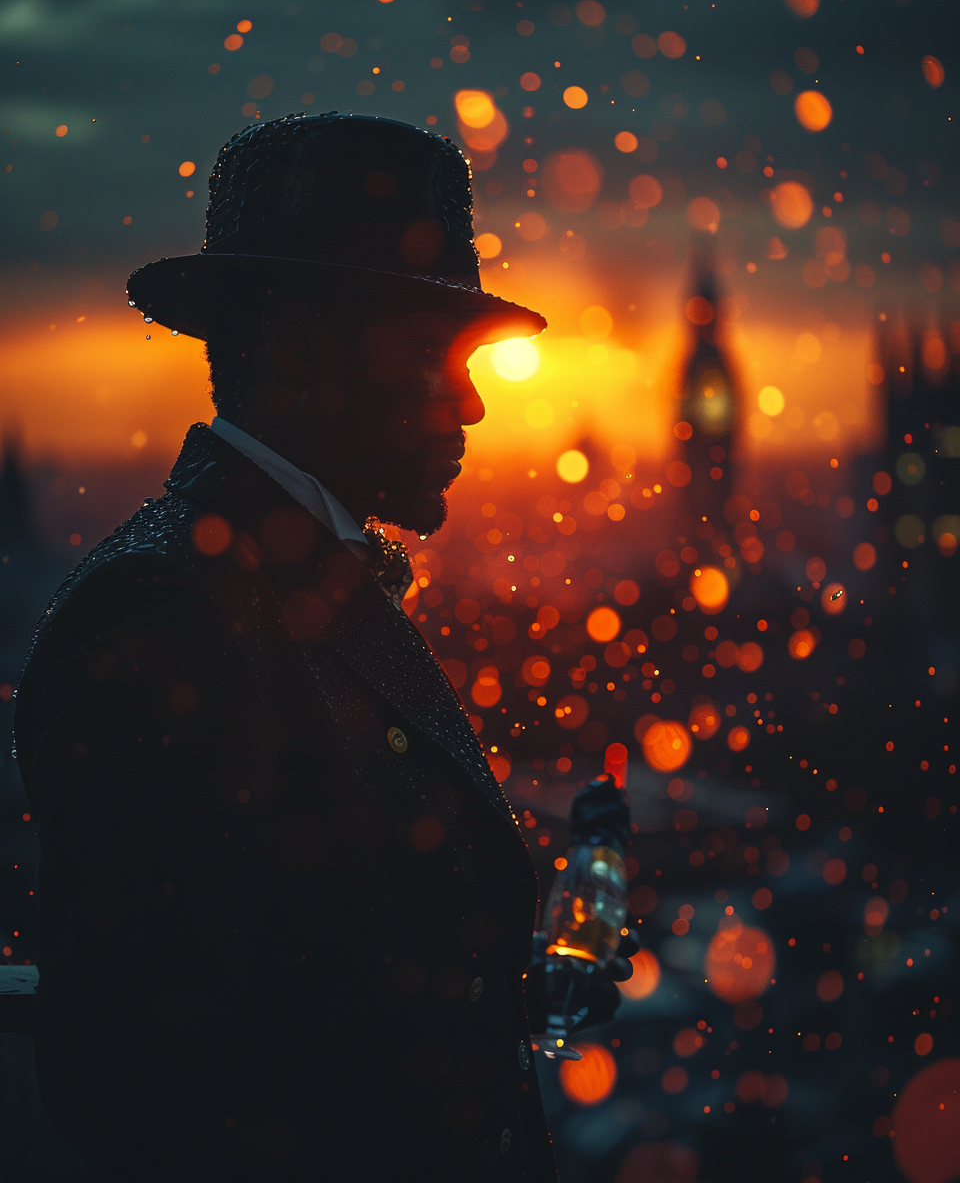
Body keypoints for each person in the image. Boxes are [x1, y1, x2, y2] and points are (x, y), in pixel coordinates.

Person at [14, 113, 635, 1182]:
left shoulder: (259, 580)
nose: (477, 403)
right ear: (296, 343)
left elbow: (289, 977)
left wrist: (503, 989)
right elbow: (135, 1080)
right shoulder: (170, 612)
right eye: (438, 354)